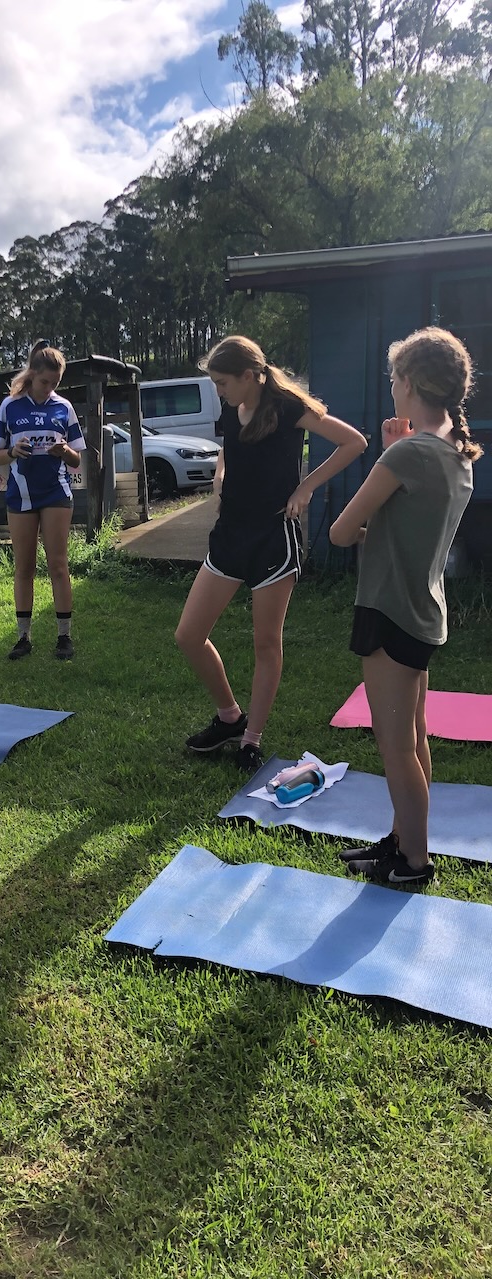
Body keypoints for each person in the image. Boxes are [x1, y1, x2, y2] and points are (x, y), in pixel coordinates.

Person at [329, 327, 481, 887]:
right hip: (420, 608)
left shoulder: (412, 453)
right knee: (413, 739)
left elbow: (343, 531)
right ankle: (401, 840)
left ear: (411, 382)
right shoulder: (450, 451)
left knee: (397, 747)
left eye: (394, 378)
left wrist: (391, 453)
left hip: (390, 608)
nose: (390, 387)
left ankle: (415, 862)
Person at [175, 335, 367, 772]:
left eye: (222, 383)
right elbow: (230, 448)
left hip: (272, 539)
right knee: (188, 635)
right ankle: (229, 717)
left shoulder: (286, 406)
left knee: (266, 642)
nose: (218, 391)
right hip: (230, 535)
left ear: (249, 376)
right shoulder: (231, 405)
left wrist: (305, 487)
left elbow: (353, 442)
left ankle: (251, 739)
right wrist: (221, 474)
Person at [0, 340, 85, 660]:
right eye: (45, 382)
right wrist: (13, 451)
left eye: (55, 384)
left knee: (58, 564)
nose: (49, 389)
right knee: (24, 567)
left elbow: (76, 460)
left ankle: (64, 637)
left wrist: (64, 451)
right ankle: (23, 638)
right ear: (32, 375)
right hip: (21, 494)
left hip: (56, 493)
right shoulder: (10, 406)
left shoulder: (64, 407)